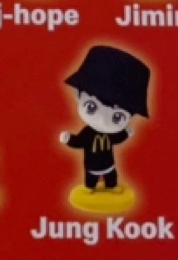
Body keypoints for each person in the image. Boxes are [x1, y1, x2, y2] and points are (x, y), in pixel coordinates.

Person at [59, 45, 151, 193]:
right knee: (91, 178)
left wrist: (126, 133)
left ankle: (111, 186)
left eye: (117, 117)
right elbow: (79, 141)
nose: (102, 121)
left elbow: (117, 139)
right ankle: (90, 187)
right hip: (91, 166)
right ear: (78, 96)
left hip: (109, 165)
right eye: (91, 107)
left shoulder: (111, 135)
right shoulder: (88, 133)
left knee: (111, 177)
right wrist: (69, 139)